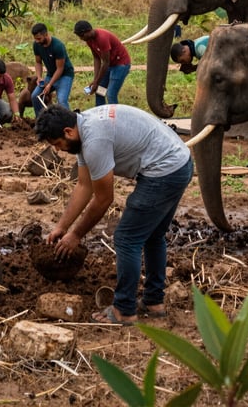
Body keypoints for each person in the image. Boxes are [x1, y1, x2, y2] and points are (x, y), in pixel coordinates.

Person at [35, 104, 193, 325]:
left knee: (126, 238)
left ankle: (124, 310)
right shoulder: (84, 130)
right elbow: (84, 185)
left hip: (165, 171)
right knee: (153, 236)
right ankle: (153, 302)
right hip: (179, 163)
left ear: (67, 132)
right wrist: (62, 227)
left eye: (57, 144)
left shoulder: (94, 141)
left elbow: (103, 199)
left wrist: (76, 235)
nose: (59, 150)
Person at [72, 20, 132, 105]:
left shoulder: (102, 38)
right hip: (109, 64)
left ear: (88, 31)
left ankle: (114, 116)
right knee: (99, 91)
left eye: (81, 35)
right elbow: (96, 58)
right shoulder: (89, 40)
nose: (81, 38)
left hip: (120, 64)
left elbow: (105, 62)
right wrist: (95, 80)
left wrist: (96, 82)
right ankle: (100, 115)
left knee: (110, 94)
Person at [31, 22, 74, 115]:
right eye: (35, 39)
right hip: (51, 74)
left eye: (39, 38)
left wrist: (50, 84)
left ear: (46, 34)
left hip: (65, 75)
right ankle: (41, 121)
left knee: (62, 101)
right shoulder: (36, 45)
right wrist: (39, 77)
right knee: (35, 96)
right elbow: (38, 62)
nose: (37, 41)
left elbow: (60, 69)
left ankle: (69, 124)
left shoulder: (58, 46)